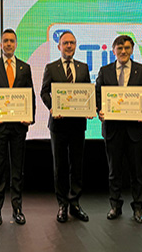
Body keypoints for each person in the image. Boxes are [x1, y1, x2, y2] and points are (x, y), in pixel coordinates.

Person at [95, 35, 142, 224]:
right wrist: (100, 110)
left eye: (127, 48)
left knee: (136, 171)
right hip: (112, 129)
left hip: (135, 129)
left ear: (132, 49)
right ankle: (115, 206)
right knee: (114, 171)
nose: (123, 52)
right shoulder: (105, 71)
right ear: (113, 51)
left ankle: (138, 208)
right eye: (119, 48)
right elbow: (98, 95)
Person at [0, 29, 36, 225]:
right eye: (6, 41)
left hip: (19, 128)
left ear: (16, 44)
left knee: (18, 170)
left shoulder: (25, 68)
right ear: (1, 44)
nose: (9, 44)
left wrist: (30, 117)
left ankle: (17, 208)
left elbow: (31, 95)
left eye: (12, 41)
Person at [40, 31, 91, 223]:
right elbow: (44, 92)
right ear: (59, 46)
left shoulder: (83, 68)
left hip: (78, 124)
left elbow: (87, 93)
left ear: (75, 46)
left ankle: (75, 203)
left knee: (76, 165)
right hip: (58, 124)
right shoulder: (51, 68)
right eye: (65, 43)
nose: (69, 46)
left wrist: (89, 107)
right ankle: (62, 204)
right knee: (60, 166)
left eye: (72, 43)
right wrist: (52, 107)